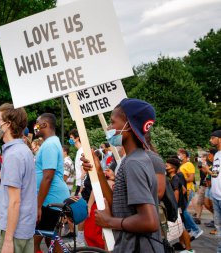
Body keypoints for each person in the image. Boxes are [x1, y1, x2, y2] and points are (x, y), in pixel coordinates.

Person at [82, 98, 163, 253]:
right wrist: (99, 172)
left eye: (113, 122)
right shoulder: (131, 159)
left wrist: (110, 221)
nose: (109, 127)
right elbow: (120, 207)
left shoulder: (134, 163)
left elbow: (150, 221)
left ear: (129, 126)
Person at [0, 103, 36, 253]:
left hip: (11, 232)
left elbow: (15, 201)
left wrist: (8, 240)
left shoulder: (14, 155)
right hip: (23, 228)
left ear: (8, 124)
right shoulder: (24, 150)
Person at [34, 113, 70, 252]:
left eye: (37, 124)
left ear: (44, 124)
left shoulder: (49, 145)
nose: (35, 127)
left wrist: (38, 206)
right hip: (51, 200)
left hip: (50, 201)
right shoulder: (50, 143)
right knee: (52, 241)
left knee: (32, 242)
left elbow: (48, 177)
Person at [166, 158, 193, 253]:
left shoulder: (174, 179)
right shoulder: (175, 177)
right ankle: (184, 245)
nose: (165, 167)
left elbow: (176, 194)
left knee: (182, 227)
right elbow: (184, 189)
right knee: (181, 227)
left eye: (167, 166)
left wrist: (174, 207)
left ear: (173, 169)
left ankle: (189, 249)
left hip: (177, 207)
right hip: (180, 206)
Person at [177, 148, 203, 239]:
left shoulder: (189, 164)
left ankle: (196, 229)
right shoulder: (181, 165)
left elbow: (191, 179)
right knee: (182, 211)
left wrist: (180, 182)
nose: (178, 155)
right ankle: (188, 229)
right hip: (182, 191)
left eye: (179, 154)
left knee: (183, 210)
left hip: (188, 191)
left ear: (184, 155)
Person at [68, 128, 86, 246]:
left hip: (81, 184)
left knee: (81, 211)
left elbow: (84, 169)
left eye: (71, 138)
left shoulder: (82, 150)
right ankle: (80, 238)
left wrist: (81, 186)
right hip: (79, 183)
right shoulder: (79, 150)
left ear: (77, 138)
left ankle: (80, 239)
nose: (70, 140)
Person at [209, 130, 221, 253]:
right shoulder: (217, 154)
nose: (210, 140)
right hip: (216, 196)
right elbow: (216, 174)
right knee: (218, 227)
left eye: (213, 138)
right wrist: (208, 170)